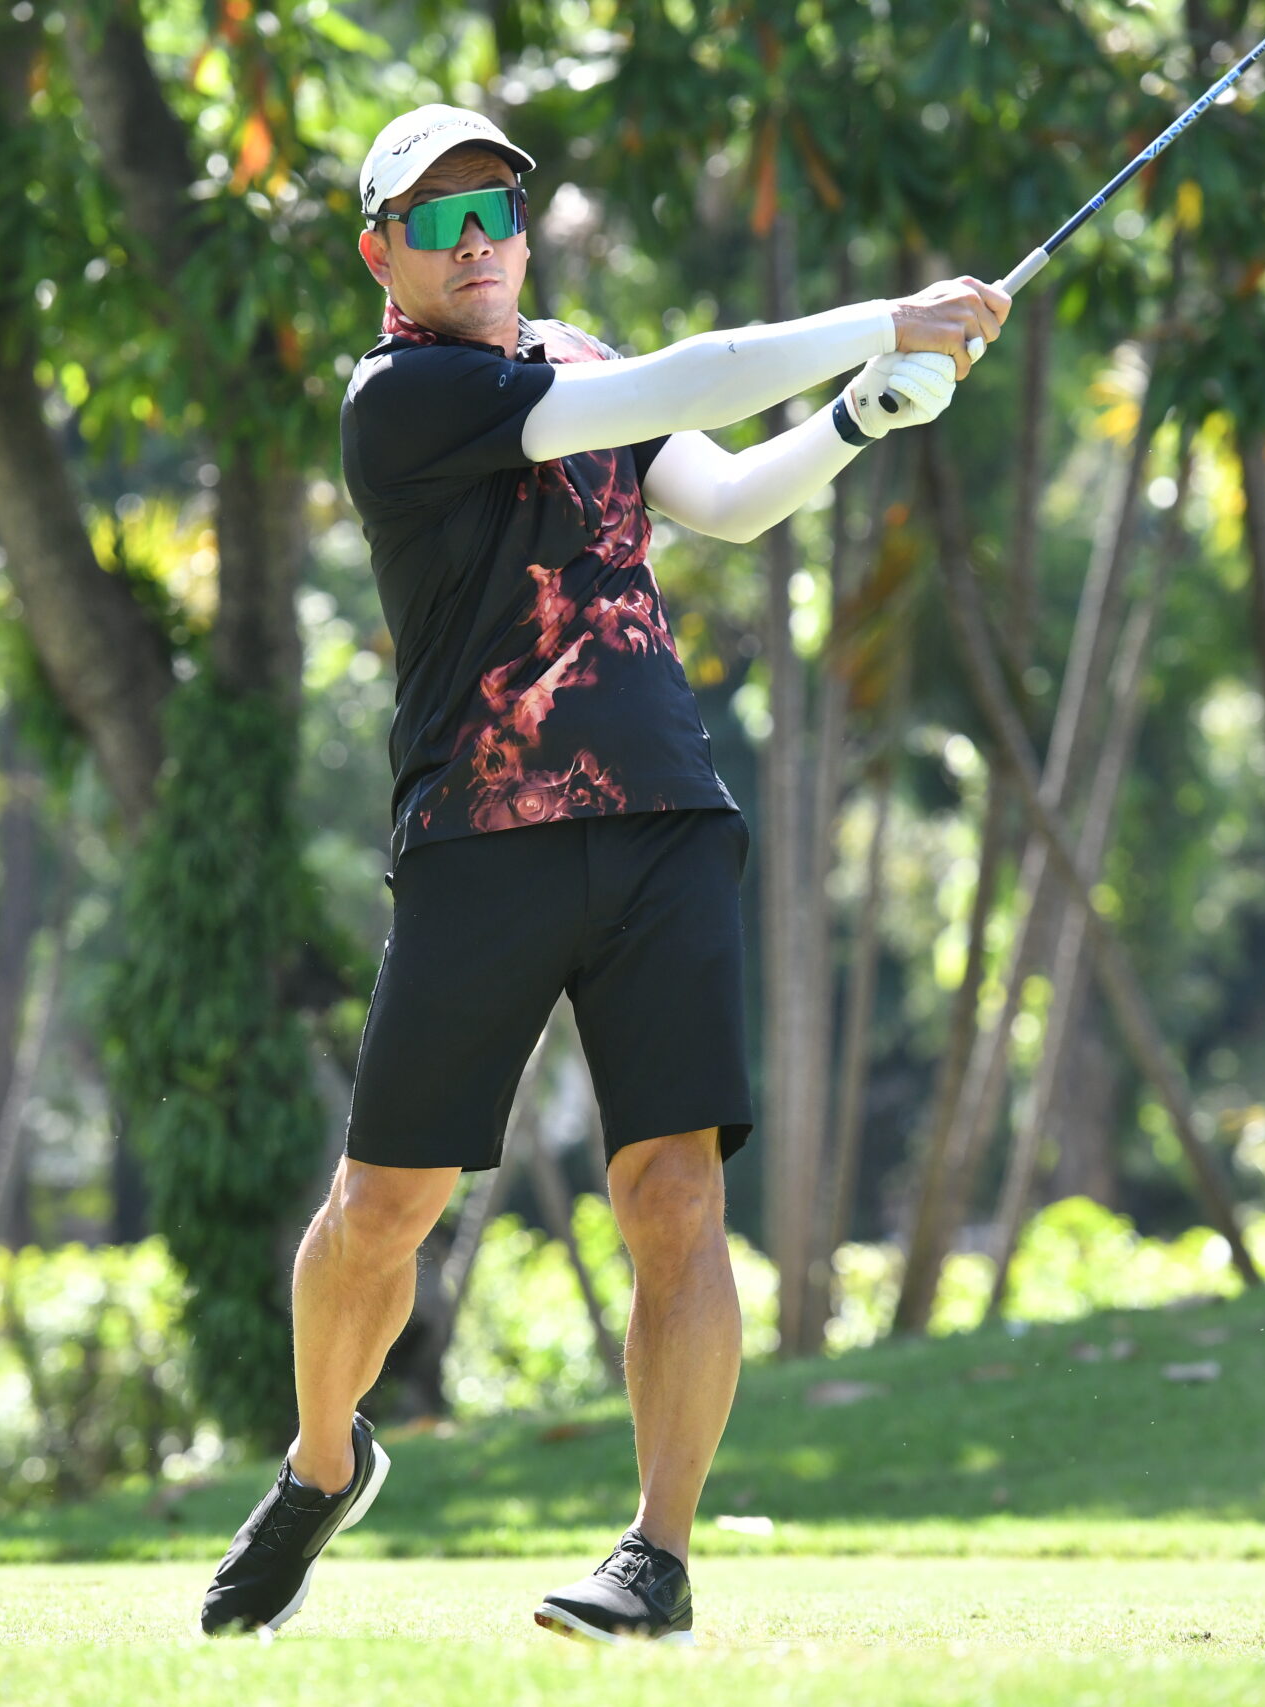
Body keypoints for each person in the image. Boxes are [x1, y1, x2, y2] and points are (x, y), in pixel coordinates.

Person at [200, 102, 1010, 1645]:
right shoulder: (402, 399)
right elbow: (675, 386)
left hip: (662, 817)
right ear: (381, 256)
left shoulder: (571, 356)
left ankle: (657, 1560)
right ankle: (322, 1465)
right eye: (439, 221)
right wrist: (882, 323)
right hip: (479, 837)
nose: (479, 243)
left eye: (497, 210)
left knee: (676, 1191)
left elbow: (723, 499)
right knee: (384, 1207)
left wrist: (860, 419)